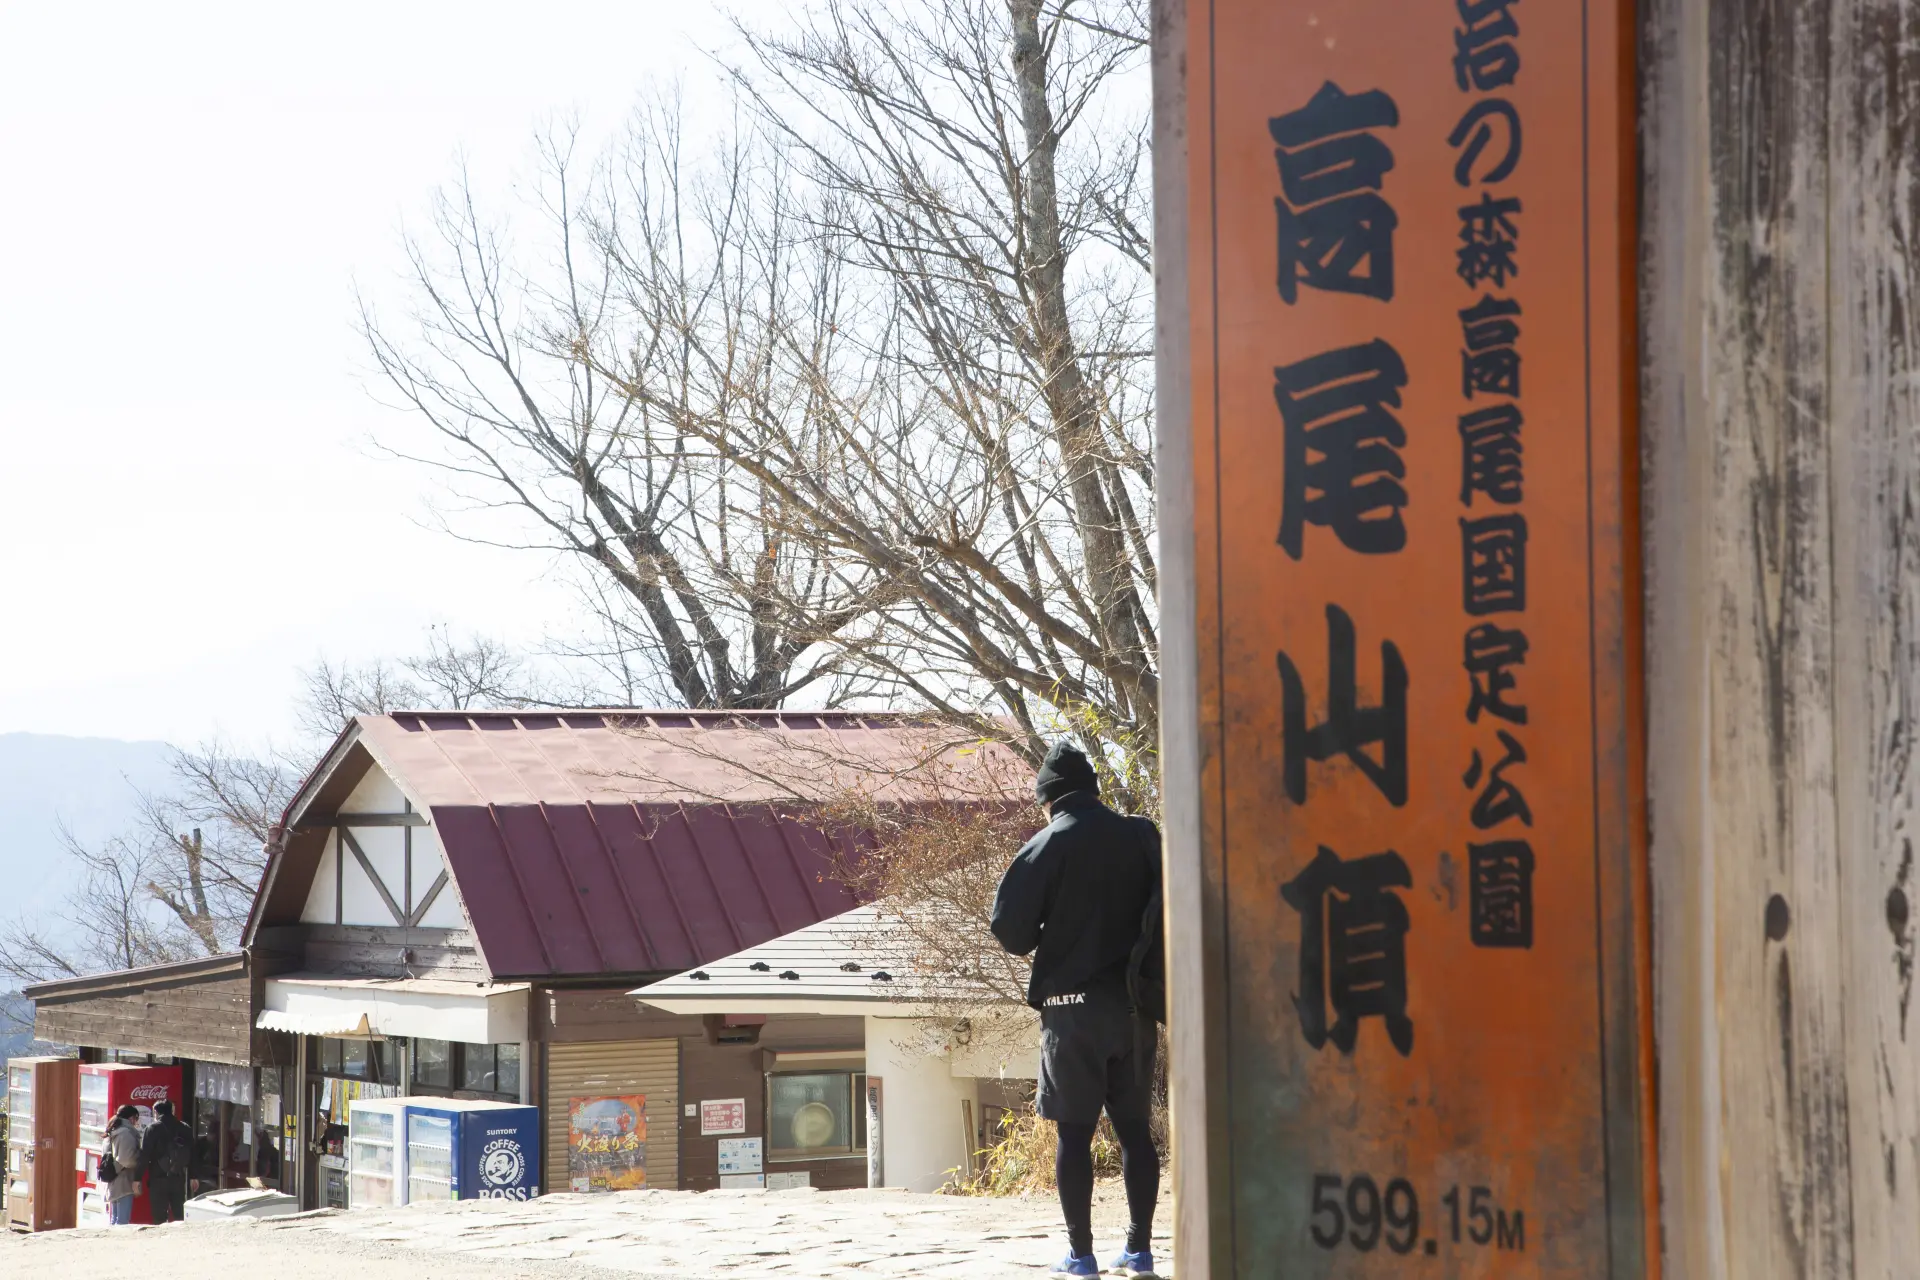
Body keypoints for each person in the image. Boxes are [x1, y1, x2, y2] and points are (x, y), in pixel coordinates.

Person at [990, 741, 1163, 1279]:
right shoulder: (1141, 835)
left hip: (1071, 1014)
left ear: (1048, 800)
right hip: (1135, 1008)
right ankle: (1139, 1251)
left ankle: (1081, 1256)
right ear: (1093, 791)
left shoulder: (1045, 845)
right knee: (1135, 1130)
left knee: (1074, 1133)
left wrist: (1054, 929)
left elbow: (1011, 932)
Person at [138, 1098, 193, 1225]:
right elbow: (192, 1153)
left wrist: (137, 1178)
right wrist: (193, 1176)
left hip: (158, 1178)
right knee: (179, 1214)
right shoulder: (184, 1128)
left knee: (159, 1218)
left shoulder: (152, 1129)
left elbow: (144, 1155)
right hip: (178, 1177)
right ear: (172, 1111)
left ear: (156, 1113)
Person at [101, 1104, 142, 1226]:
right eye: (136, 1119)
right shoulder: (126, 1133)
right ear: (131, 1118)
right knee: (122, 1221)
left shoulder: (112, 1130)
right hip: (123, 1180)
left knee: (114, 1219)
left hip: (112, 1179)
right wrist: (140, 1160)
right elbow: (127, 1160)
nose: (136, 1122)